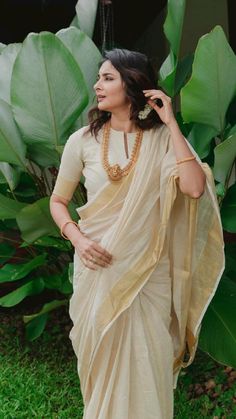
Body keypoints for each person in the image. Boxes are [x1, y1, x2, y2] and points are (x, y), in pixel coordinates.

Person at [49, 48, 225, 419]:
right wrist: (77, 239)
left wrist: (172, 124)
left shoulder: (163, 140)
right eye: (98, 77)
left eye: (107, 78)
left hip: (148, 275)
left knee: (150, 365)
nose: (97, 85)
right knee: (99, 366)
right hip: (98, 272)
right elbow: (58, 202)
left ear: (133, 85)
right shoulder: (81, 141)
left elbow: (193, 188)